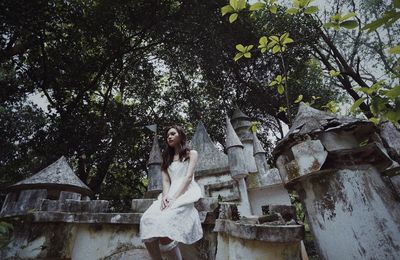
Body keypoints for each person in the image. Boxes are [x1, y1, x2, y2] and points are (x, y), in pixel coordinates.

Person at [140, 125, 204, 260]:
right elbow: (166, 182)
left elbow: (188, 178)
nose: (169, 137)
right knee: (146, 220)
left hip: (185, 192)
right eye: (167, 135)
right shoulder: (166, 158)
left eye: (173, 134)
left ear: (180, 135)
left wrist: (174, 198)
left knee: (165, 227)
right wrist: (165, 197)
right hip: (168, 194)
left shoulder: (191, 154)